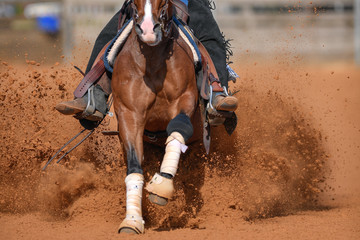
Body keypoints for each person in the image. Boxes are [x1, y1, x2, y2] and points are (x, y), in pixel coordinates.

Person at [56, 0, 238, 123]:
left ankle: (217, 93)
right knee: (107, 37)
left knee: (210, 37)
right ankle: (93, 96)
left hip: (184, 1)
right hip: (144, 3)